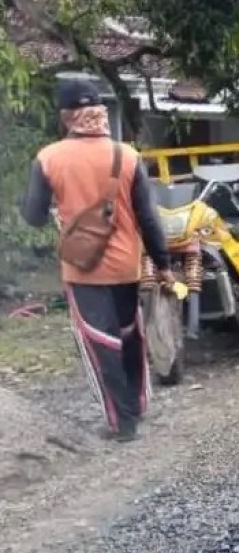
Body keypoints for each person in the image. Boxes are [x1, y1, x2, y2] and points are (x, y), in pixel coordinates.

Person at [20, 79, 173, 443]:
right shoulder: (128, 156)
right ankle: (136, 406)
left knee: (100, 342)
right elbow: (148, 218)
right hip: (125, 265)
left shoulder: (48, 158)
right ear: (100, 113)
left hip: (83, 268)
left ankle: (123, 422)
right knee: (129, 334)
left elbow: (34, 216)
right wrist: (163, 263)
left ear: (65, 116)